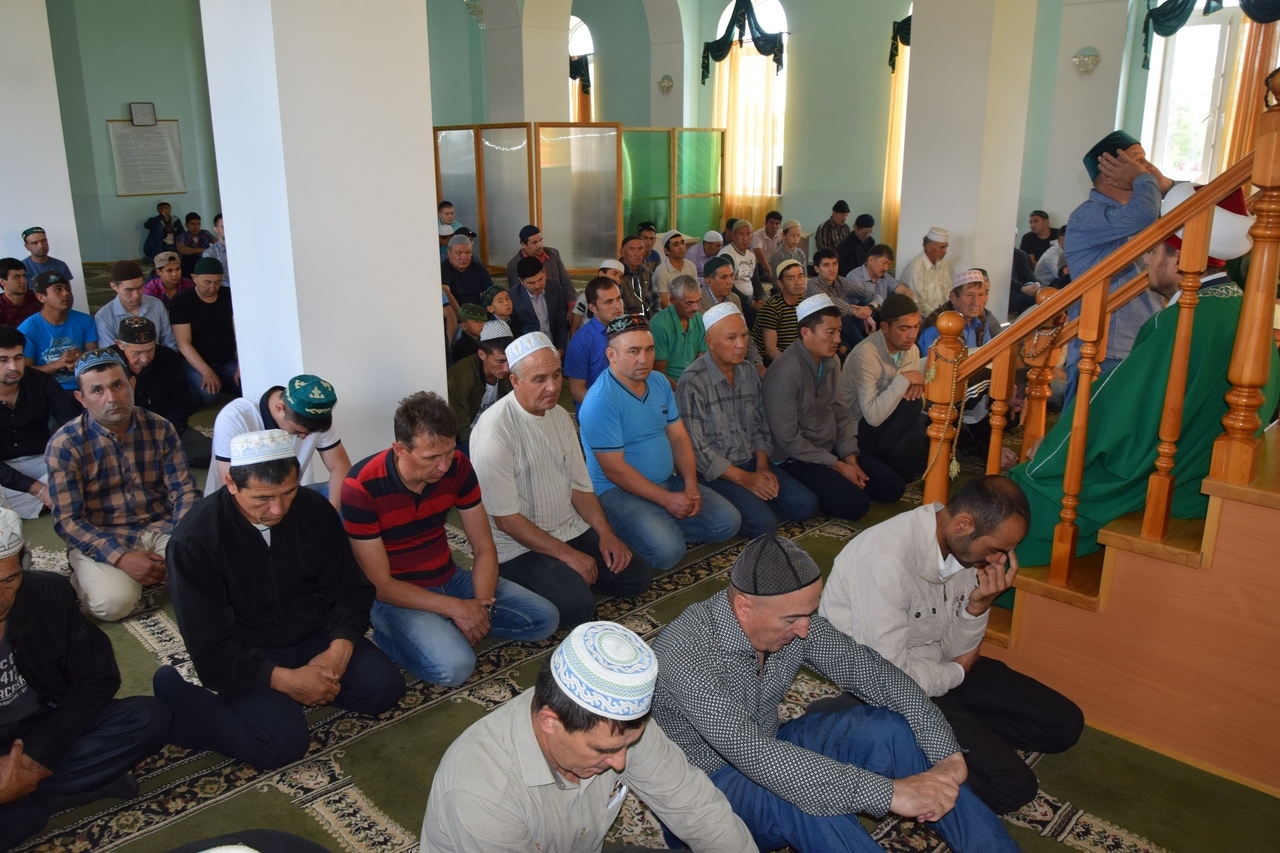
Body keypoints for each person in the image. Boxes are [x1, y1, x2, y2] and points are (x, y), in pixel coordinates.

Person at [651, 534, 1020, 853]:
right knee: (807, 797)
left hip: (770, 742)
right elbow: (755, 754)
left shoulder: (794, 618)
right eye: (792, 619)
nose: (805, 630)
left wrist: (946, 753)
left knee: (888, 730)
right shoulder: (684, 653)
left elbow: (877, 675)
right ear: (744, 607)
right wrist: (891, 793)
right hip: (706, 790)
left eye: (810, 614)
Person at [1012, 186, 1276, 565]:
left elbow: (1118, 413)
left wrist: (1055, 449)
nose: (1147, 259)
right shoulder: (1246, 309)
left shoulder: (1178, 323)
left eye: (1155, 251)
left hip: (1171, 484)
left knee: (1025, 492)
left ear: (1181, 256)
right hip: (1205, 474)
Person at [820, 476, 1085, 815]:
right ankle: (849, 717)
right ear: (963, 525)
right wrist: (956, 673)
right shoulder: (883, 559)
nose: (998, 561)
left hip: (937, 668)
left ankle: (956, 731)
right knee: (1011, 787)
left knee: (1063, 725)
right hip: (888, 688)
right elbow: (891, 679)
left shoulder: (962, 548)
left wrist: (978, 607)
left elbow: (955, 650)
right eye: (995, 549)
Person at [155, 430, 404, 769]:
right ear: (231, 484)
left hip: (315, 635)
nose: (278, 509)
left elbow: (348, 589)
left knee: (384, 690)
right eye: (262, 498)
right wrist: (285, 680)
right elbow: (209, 643)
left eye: (288, 492)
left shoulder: (314, 510)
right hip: (249, 653)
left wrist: (338, 651)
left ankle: (298, 695)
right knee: (283, 745)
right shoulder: (194, 542)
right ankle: (181, 696)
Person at [421, 621, 757, 853]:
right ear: (550, 721)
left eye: (628, 745)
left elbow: (696, 806)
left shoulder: (619, 730)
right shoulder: (482, 794)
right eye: (602, 750)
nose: (620, 762)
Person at [342, 391, 558, 687]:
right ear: (400, 450)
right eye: (432, 457)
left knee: (544, 619)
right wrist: (455, 608)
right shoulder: (361, 487)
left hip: (449, 577)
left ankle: (443, 629)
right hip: (394, 596)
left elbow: (483, 548)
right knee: (456, 667)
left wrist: (481, 607)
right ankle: (391, 635)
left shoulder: (458, 465)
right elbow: (381, 585)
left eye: (449, 451)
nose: (444, 466)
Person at [0, 507, 172, 851]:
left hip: (46, 725)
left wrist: (35, 754)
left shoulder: (47, 594)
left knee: (148, 718)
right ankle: (51, 796)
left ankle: (25, 795)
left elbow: (99, 678)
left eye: (8, 580)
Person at [470, 335, 652, 629]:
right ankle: (524, 583)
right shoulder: (495, 433)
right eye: (539, 379)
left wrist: (606, 534)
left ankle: (565, 578)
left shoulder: (559, 416)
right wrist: (571, 557)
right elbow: (506, 521)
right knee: (577, 607)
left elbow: (580, 487)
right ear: (515, 381)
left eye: (556, 375)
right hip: (518, 545)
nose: (553, 387)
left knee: (637, 577)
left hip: (568, 527)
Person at [46, 349, 201, 621]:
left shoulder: (159, 427)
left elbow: (185, 491)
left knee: (210, 572)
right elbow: (68, 520)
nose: (111, 398)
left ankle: (157, 567)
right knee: (113, 604)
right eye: (97, 390)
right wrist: (121, 558)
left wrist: (180, 543)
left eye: (117, 385)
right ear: (81, 398)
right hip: (104, 534)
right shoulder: (65, 444)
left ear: (132, 384)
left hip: (162, 526)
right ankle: (86, 572)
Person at [579, 315, 741, 572]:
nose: (644, 359)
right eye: (634, 351)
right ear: (611, 355)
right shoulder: (600, 401)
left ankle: (653, 525)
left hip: (667, 480)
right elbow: (614, 470)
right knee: (668, 552)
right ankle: (639, 525)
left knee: (728, 522)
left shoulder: (658, 381)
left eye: (649, 349)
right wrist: (667, 500)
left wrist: (691, 486)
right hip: (618, 492)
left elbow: (678, 437)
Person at [678, 303, 818, 538]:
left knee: (806, 504)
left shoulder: (749, 372)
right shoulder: (692, 381)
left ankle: (753, 500)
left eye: (744, 336)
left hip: (751, 463)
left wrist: (762, 468)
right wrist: (744, 479)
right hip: (716, 475)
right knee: (764, 524)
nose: (741, 344)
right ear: (709, 341)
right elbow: (697, 450)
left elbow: (760, 425)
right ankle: (743, 505)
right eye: (731, 338)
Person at [763, 295, 905, 521]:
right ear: (806, 333)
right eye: (830, 332)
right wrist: (836, 465)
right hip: (795, 457)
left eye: (839, 331)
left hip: (829, 447)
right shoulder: (784, 372)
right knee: (855, 506)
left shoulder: (832, 361)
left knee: (892, 487)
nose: (838, 339)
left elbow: (840, 412)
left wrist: (849, 456)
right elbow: (789, 440)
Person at [1062, 130, 1174, 400]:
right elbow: (1143, 215)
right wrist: (1147, 180)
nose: (1147, 168)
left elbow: (1196, 207)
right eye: (1137, 161)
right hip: (1103, 350)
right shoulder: (1087, 216)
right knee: (1085, 426)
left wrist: (1167, 186)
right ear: (1110, 173)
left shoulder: (1140, 209)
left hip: (1138, 344)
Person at [210, 374, 351, 509]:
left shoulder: (316, 415)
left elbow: (340, 466)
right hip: (250, 503)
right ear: (279, 408)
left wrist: (331, 513)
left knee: (352, 494)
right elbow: (233, 489)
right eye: (298, 431)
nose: (304, 437)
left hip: (289, 495)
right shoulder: (233, 418)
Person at [916, 270, 1015, 461]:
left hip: (971, 388)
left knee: (1011, 406)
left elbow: (994, 354)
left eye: (981, 294)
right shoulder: (937, 326)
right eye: (970, 295)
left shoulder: (983, 319)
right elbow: (937, 379)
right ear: (953, 297)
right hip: (937, 395)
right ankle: (982, 448)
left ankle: (985, 444)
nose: (977, 302)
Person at [841, 294, 929, 483]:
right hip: (859, 428)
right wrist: (904, 380)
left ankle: (894, 459)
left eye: (916, 326)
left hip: (892, 424)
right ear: (885, 327)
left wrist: (916, 387)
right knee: (899, 478)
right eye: (904, 328)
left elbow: (916, 399)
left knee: (937, 444)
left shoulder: (912, 350)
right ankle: (889, 460)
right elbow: (872, 417)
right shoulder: (864, 355)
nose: (912, 335)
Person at [0, 325, 78, 518]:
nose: (13, 367)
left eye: (18, 358)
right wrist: (39, 489)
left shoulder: (40, 381)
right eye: (3, 360)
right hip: (2, 470)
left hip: (43, 461)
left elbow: (70, 423)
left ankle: (47, 500)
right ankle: (54, 498)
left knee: (83, 468)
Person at [113, 316, 212, 469]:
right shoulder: (108, 365)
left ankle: (155, 459)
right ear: (120, 344)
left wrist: (165, 432)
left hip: (164, 426)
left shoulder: (168, 358)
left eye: (150, 350)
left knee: (207, 452)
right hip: (122, 432)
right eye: (136, 353)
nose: (145, 359)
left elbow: (182, 402)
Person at [170, 256, 239, 406]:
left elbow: (239, 334)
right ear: (194, 278)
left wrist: (242, 363)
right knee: (209, 396)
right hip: (196, 363)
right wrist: (206, 371)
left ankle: (221, 382)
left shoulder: (229, 296)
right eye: (207, 282)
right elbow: (183, 344)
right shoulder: (181, 302)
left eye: (217, 282)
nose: (213, 288)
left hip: (227, 361)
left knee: (248, 383)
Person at [18, 271, 97, 393]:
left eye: (67, 289)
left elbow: (95, 358)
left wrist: (81, 359)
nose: (66, 293)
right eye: (58, 289)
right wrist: (58, 363)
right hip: (46, 391)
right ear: (41, 297)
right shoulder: (28, 328)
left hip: (85, 386)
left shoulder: (85, 320)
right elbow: (25, 371)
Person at [447, 319, 513, 451]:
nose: (507, 368)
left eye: (509, 360)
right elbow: (460, 430)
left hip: (500, 435)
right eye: (500, 361)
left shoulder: (514, 370)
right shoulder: (461, 376)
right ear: (482, 354)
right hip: (469, 439)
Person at [566, 276, 627, 411]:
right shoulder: (581, 341)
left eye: (618, 299)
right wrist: (612, 406)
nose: (617, 305)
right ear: (593, 308)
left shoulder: (629, 330)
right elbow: (577, 392)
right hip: (597, 410)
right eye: (608, 302)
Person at [94, 260, 177, 351]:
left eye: (140, 287)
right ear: (114, 287)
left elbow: (169, 341)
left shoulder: (156, 304)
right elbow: (110, 353)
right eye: (129, 290)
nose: (136, 295)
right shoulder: (104, 316)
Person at [806, 247, 877, 352]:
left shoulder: (840, 281)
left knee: (868, 300)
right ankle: (865, 348)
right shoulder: (812, 284)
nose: (832, 269)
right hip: (820, 327)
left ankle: (845, 346)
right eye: (826, 265)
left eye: (835, 264)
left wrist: (870, 308)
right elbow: (830, 303)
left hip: (841, 328)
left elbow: (871, 295)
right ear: (817, 269)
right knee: (838, 314)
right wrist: (860, 313)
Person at [651, 275, 707, 386]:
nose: (695, 308)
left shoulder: (701, 320)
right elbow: (659, 373)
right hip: (668, 385)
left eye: (697, 301)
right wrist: (681, 391)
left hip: (695, 382)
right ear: (673, 300)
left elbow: (702, 362)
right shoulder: (659, 325)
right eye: (689, 303)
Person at [505, 225, 574, 310]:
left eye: (540, 240)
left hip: (558, 303)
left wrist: (572, 304)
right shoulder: (514, 264)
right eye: (534, 243)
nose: (539, 245)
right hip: (532, 308)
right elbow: (517, 295)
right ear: (523, 244)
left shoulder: (553, 253)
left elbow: (566, 281)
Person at [751, 258, 806, 365]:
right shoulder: (772, 307)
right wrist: (793, 368)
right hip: (772, 362)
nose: (798, 282)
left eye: (800, 276)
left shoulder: (805, 304)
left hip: (796, 357)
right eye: (791, 278)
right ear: (781, 284)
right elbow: (771, 350)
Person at [509, 255, 568, 350]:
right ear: (521, 281)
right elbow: (516, 330)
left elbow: (560, 320)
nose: (537, 286)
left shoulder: (554, 287)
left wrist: (561, 348)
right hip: (529, 348)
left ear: (544, 272)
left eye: (540, 279)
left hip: (553, 344)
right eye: (531, 283)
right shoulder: (513, 296)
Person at [899, 227, 954, 317]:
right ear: (929, 247)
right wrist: (937, 318)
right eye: (942, 247)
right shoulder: (915, 268)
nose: (945, 252)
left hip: (941, 317)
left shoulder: (943, 264)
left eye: (946, 247)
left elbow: (948, 292)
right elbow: (917, 302)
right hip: (923, 318)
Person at [570, 260, 626, 334]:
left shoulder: (619, 296)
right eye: (614, 274)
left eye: (620, 277)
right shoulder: (584, 297)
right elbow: (574, 327)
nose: (618, 279)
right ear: (601, 274)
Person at [719, 219, 761, 317]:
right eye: (741, 234)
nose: (745, 238)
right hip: (734, 300)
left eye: (748, 234)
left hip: (750, 299)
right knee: (758, 316)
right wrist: (751, 303)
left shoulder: (751, 255)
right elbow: (729, 286)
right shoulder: (727, 255)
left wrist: (762, 297)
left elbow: (756, 281)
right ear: (733, 236)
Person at [439, 234, 494, 307]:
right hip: (455, 310)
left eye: (468, 252)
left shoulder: (478, 268)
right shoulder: (443, 269)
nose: (464, 257)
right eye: (458, 253)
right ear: (449, 253)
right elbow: (445, 293)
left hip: (479, 311)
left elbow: (492, 291)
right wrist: (460, 314)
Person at [652, 230, 698, 310]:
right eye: (676, 245)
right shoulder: (662, 272)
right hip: (670, 312)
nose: (681, 247)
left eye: (682, 243)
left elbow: (695, 292)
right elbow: (664, 304)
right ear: (667, 251)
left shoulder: (691, 266)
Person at [618, 236, 653, 316]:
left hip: (649, 319)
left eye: (640, 249)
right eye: (632, 249)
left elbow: (655, 301)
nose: (637, 254)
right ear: (622, 252)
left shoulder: (647, 272)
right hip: (626, 320)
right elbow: (618, 309)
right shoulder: (617, 274)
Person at [175, 212, 216, 278]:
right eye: (192, 224)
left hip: (205, 264)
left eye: (198, 224)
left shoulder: (204, 233)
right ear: (186, 225)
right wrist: (203, 250)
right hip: (189, 266)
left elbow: (217, 242)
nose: (195, 227)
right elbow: (182, 249)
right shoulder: (182, 236)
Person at [0, 258, 39, 328]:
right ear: (2, 282)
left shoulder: (37, 298)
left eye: (24, 276)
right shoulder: (2, 307)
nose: (24, 281)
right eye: (16, 277)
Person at [750, 211, 784, 284]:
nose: (774, 226)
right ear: (766, 223)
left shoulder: (781, 234)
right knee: (763, 274)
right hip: (759, 264)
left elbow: (787, 247)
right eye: (771, 223)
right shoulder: (757, 235)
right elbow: (759, 255)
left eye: (777, 223)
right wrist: (769, 270)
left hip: (773, 263)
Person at [201, 213, 230, 286]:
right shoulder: (210, 253)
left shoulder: (241, 249)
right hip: (222, 288)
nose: (227, 229)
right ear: (216, 229)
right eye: (223, 227)